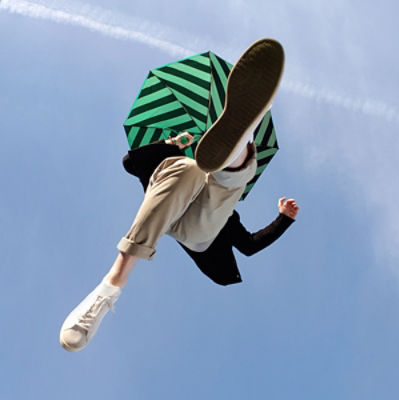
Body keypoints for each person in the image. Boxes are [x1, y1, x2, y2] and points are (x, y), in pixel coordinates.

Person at [59, 38, 299, 352]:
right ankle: (111, 285)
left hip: (197, 229)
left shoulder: (223, 209)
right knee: (189, 168)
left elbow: (248, 246)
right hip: (168, 201)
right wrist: (173, 145)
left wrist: (284, 220)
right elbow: (131, 162)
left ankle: (242, 140)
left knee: (219, 182)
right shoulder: (176, 156)